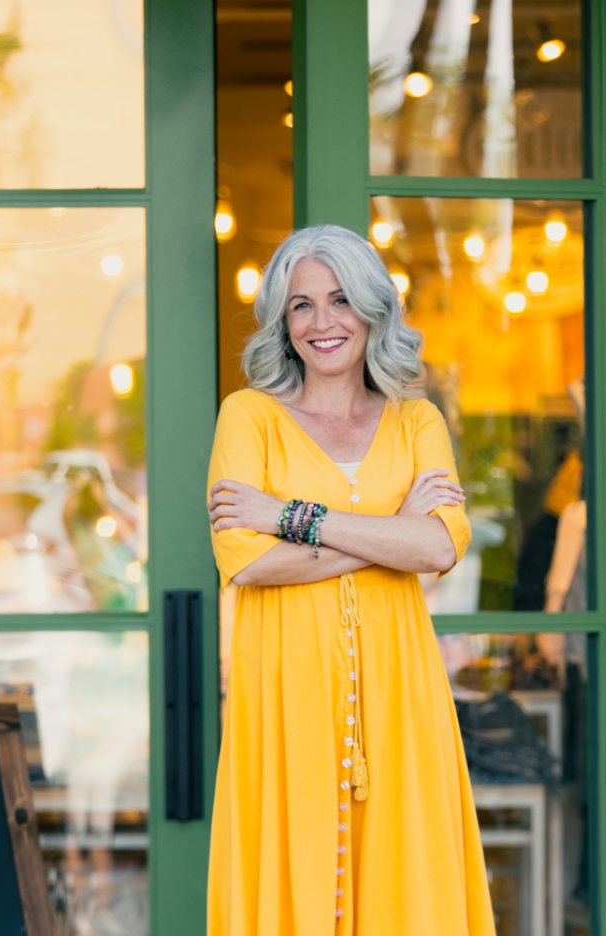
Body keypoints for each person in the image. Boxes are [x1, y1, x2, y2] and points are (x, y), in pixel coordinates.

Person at [206, 225, 496, 935]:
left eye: (339, 300)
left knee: (405, 887)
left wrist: (293, 517)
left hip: (401, 694)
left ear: (372, 309)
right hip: (284, 693)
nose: (321, 322)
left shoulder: (416, 419)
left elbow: (439, 545)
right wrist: (389, 531)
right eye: (300, 305)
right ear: (282, 320)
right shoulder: (248, 417)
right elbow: (246, 560)